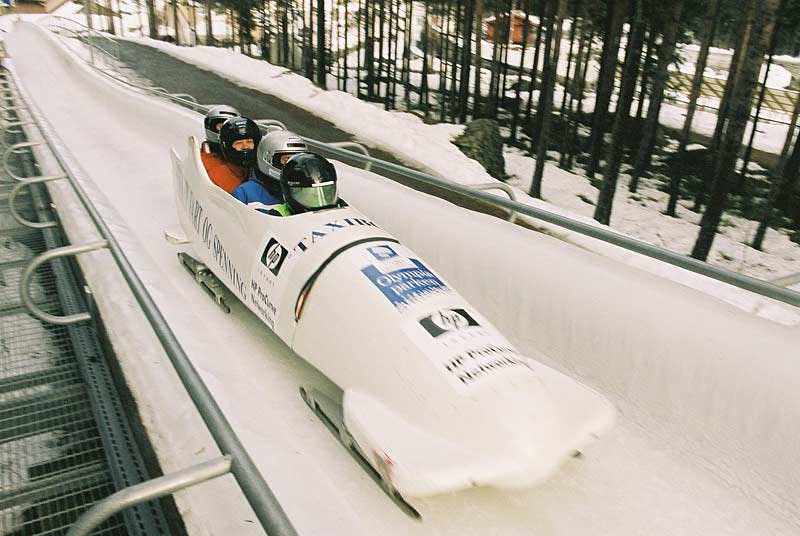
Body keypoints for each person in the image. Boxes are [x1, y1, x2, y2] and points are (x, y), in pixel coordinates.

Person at [232, 130, 308, 205]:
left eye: (298, 159)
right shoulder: (244, 194)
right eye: (287, 159)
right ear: (267, 159)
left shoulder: (308, 191)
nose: (294, 166)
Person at [267, 153, 342, 216]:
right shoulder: (275, 216)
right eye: (312, 195)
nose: (320, 200)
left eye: (327, 193)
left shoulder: (341, 206)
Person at [205, 116, 262, 194]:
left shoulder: (260, 173)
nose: (245, 147)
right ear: (227, 146)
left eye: (249, 142)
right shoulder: (217, 175)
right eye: (238, 143)